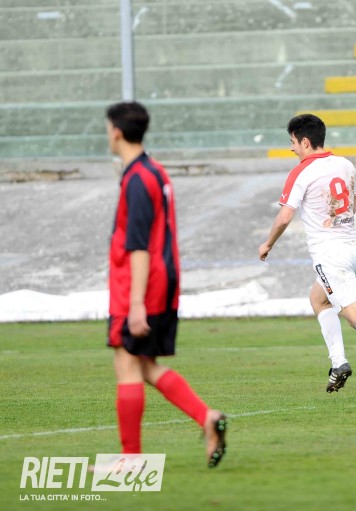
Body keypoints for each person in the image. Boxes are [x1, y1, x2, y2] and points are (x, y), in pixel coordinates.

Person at [258, 114, 356, 396]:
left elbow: (284, 216)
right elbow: (352, 206)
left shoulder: (301, 172)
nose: (291, 148)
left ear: (305, 142)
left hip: (331, 256)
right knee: (318, 299)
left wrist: (267, 244)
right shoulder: (345, 164)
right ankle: (338, 363)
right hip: (354, 251)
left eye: (293, 142)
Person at [105, 101, 227, 467]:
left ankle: (130, 461)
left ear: (116, 132)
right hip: (160, 280)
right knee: (143, 365)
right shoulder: (153, 171)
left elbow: (139, 244)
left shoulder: (138, 179)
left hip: (142, 285)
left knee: (127, 364)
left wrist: (136, 304)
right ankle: (207, 417)